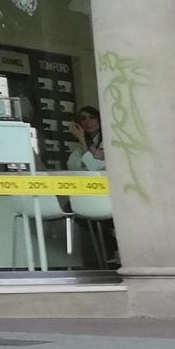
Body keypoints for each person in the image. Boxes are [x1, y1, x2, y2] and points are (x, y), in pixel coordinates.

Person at [65, 106, 117, 270]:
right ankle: (109, 251)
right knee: (75, 208)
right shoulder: (85, 145)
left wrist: (81, 140)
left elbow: (94, 167)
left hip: (111, 193)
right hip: (91, 192)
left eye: (91, 117)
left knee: (98, 213)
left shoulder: (109, 140)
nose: (87, 122)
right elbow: (73, 166)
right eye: (83, 118)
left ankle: (114, 249)